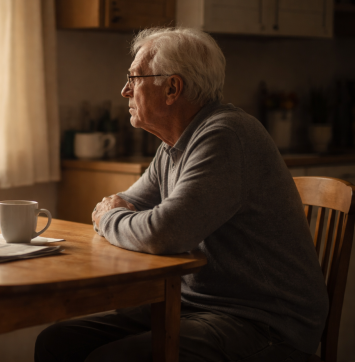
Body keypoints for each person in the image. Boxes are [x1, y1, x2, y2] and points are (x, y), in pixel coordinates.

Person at [34, 27, 328, 362]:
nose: (124, 90)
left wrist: (110, 217)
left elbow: (162, 232)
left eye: (134, 78)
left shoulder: (225, 137)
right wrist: (118, 213)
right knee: (57, 341)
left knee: (112, 358)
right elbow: (127, 203)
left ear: (172, 88)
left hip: (265, 320)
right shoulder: (175, 144)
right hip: (194, 304)